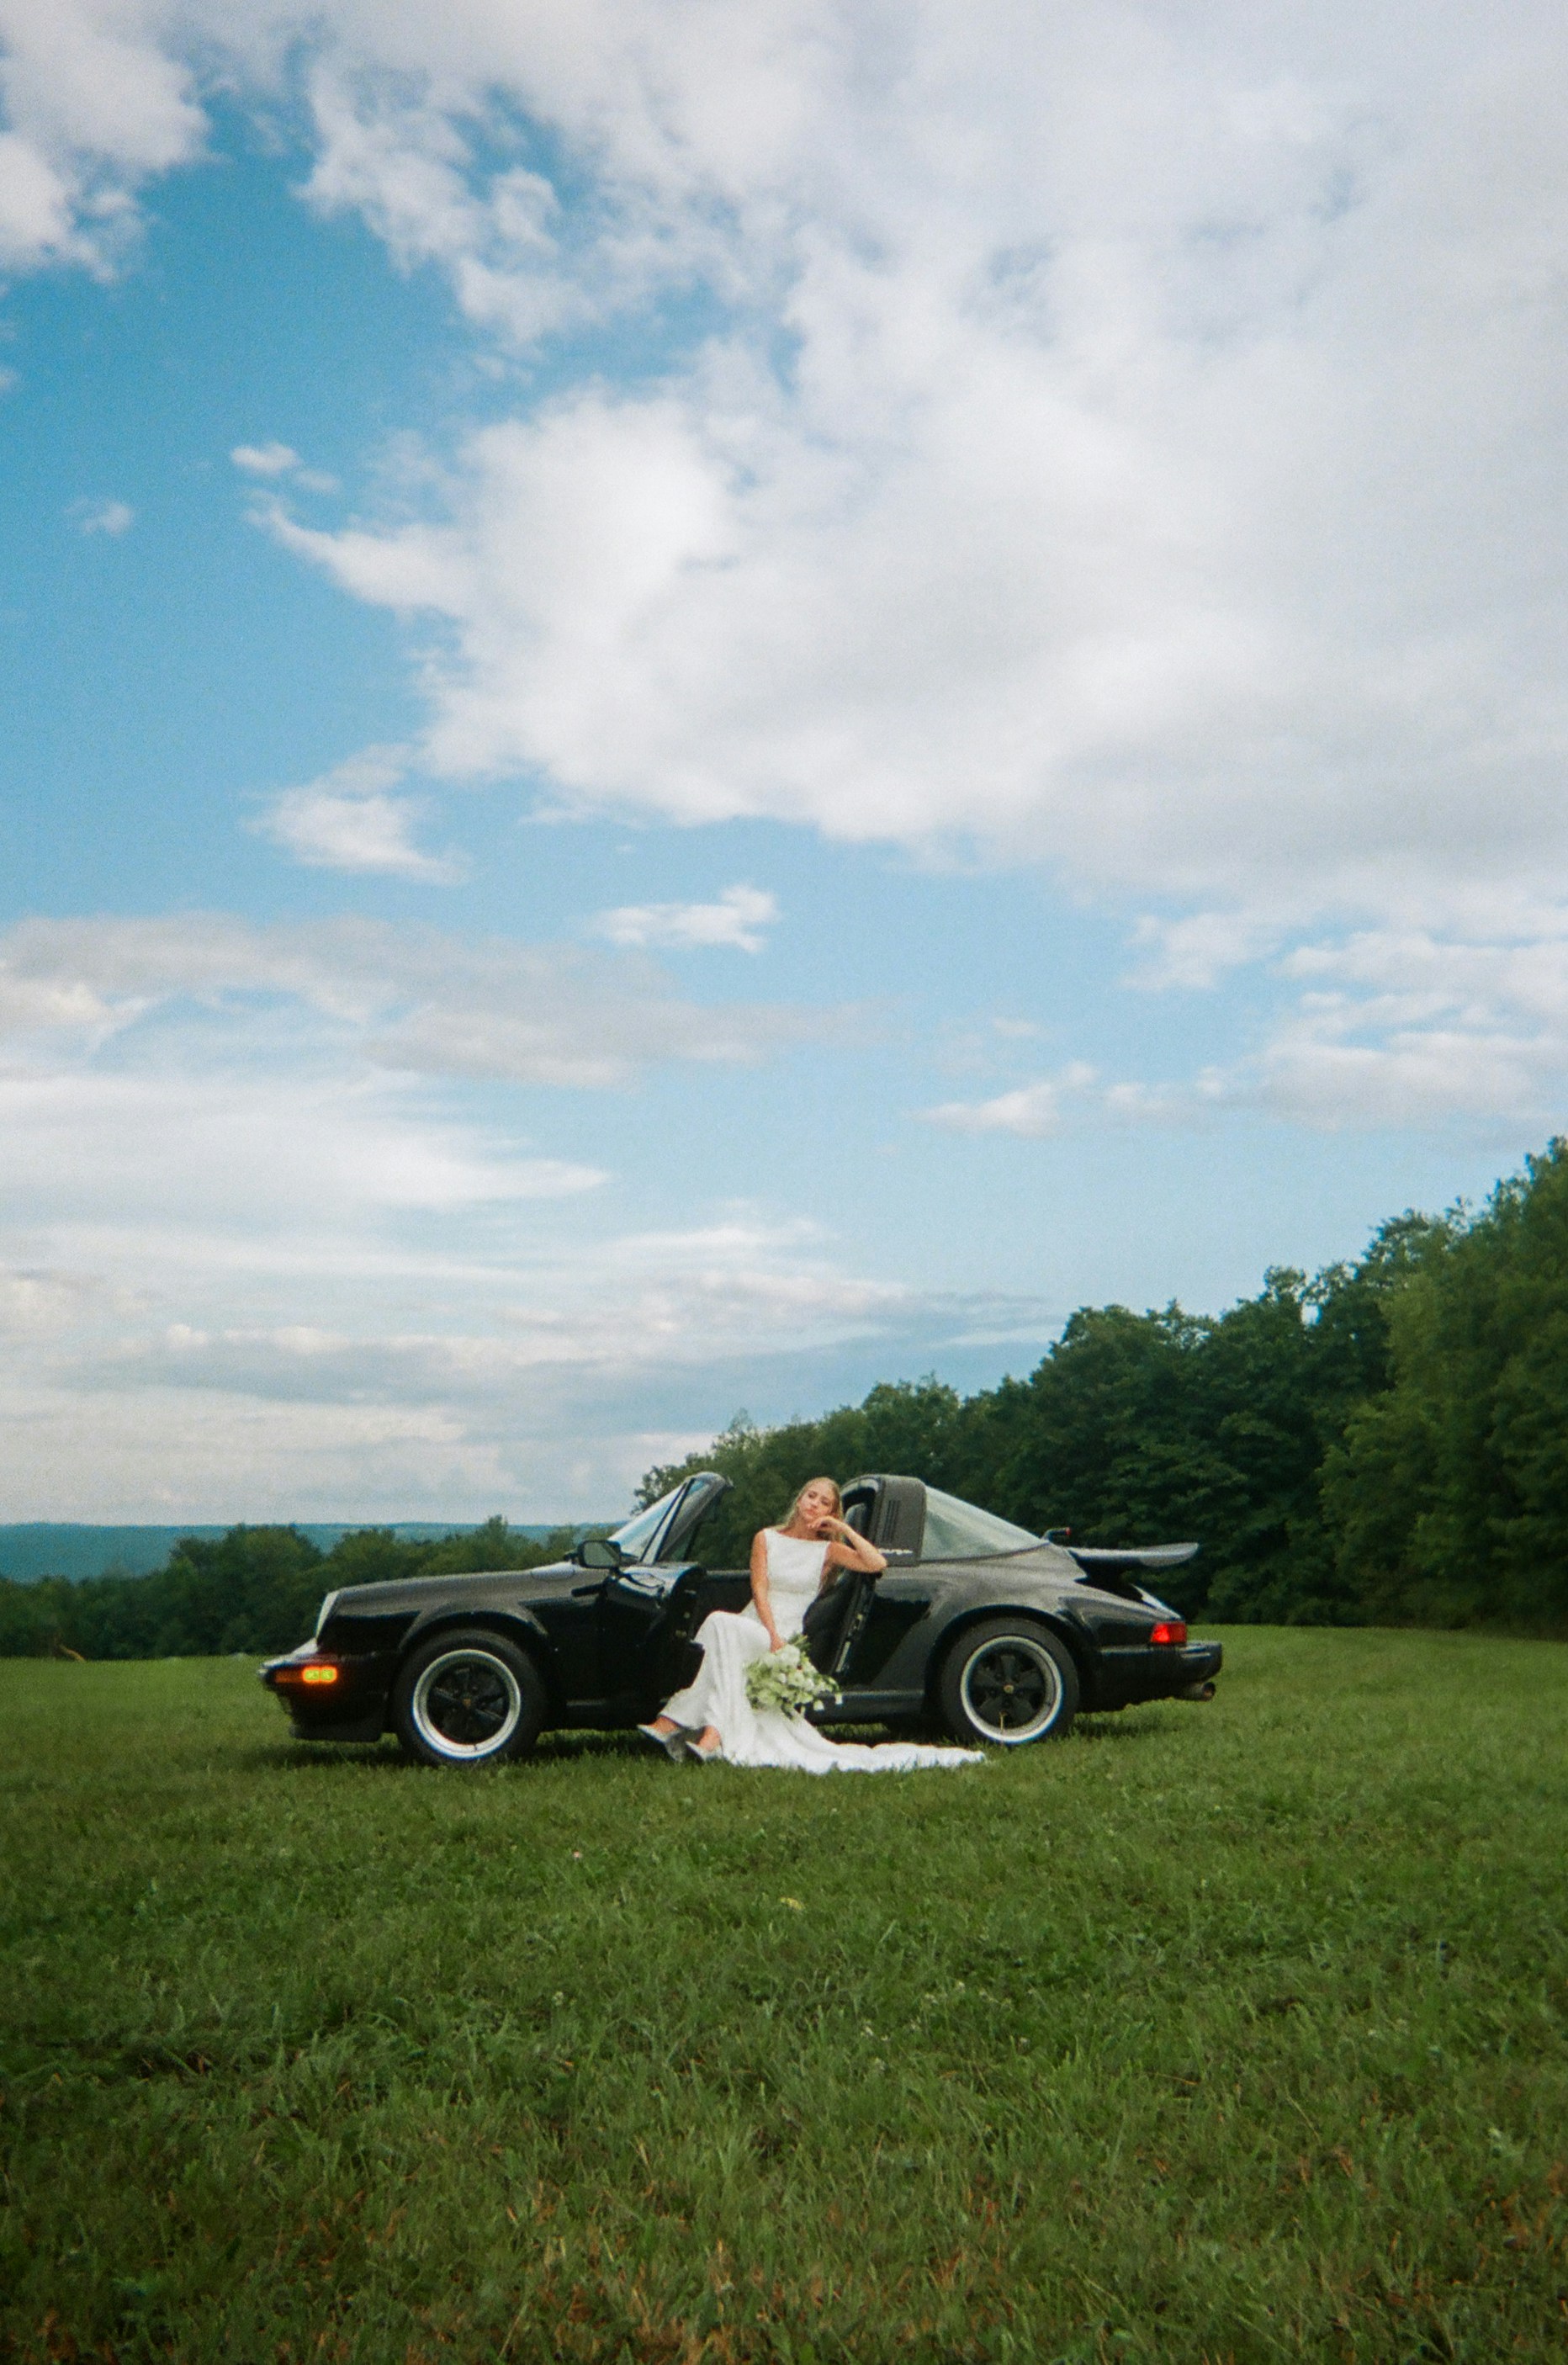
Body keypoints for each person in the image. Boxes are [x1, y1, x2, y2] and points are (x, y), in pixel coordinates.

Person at [639, 1477, 983, 1773]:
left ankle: (676, 1723)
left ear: (830, 1512)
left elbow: (876, 1562)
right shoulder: (766, 1538)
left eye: (826, 1503)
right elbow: (759, 1588)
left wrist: (844, 1529)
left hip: (788, 1632)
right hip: (758, 1622)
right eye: (811, 1496)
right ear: (800, 1499)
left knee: (718, 1626)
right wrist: (768, 1632)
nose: (815, 1505)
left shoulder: (827, 1552)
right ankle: (711, 1734)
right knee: (724, 1628)